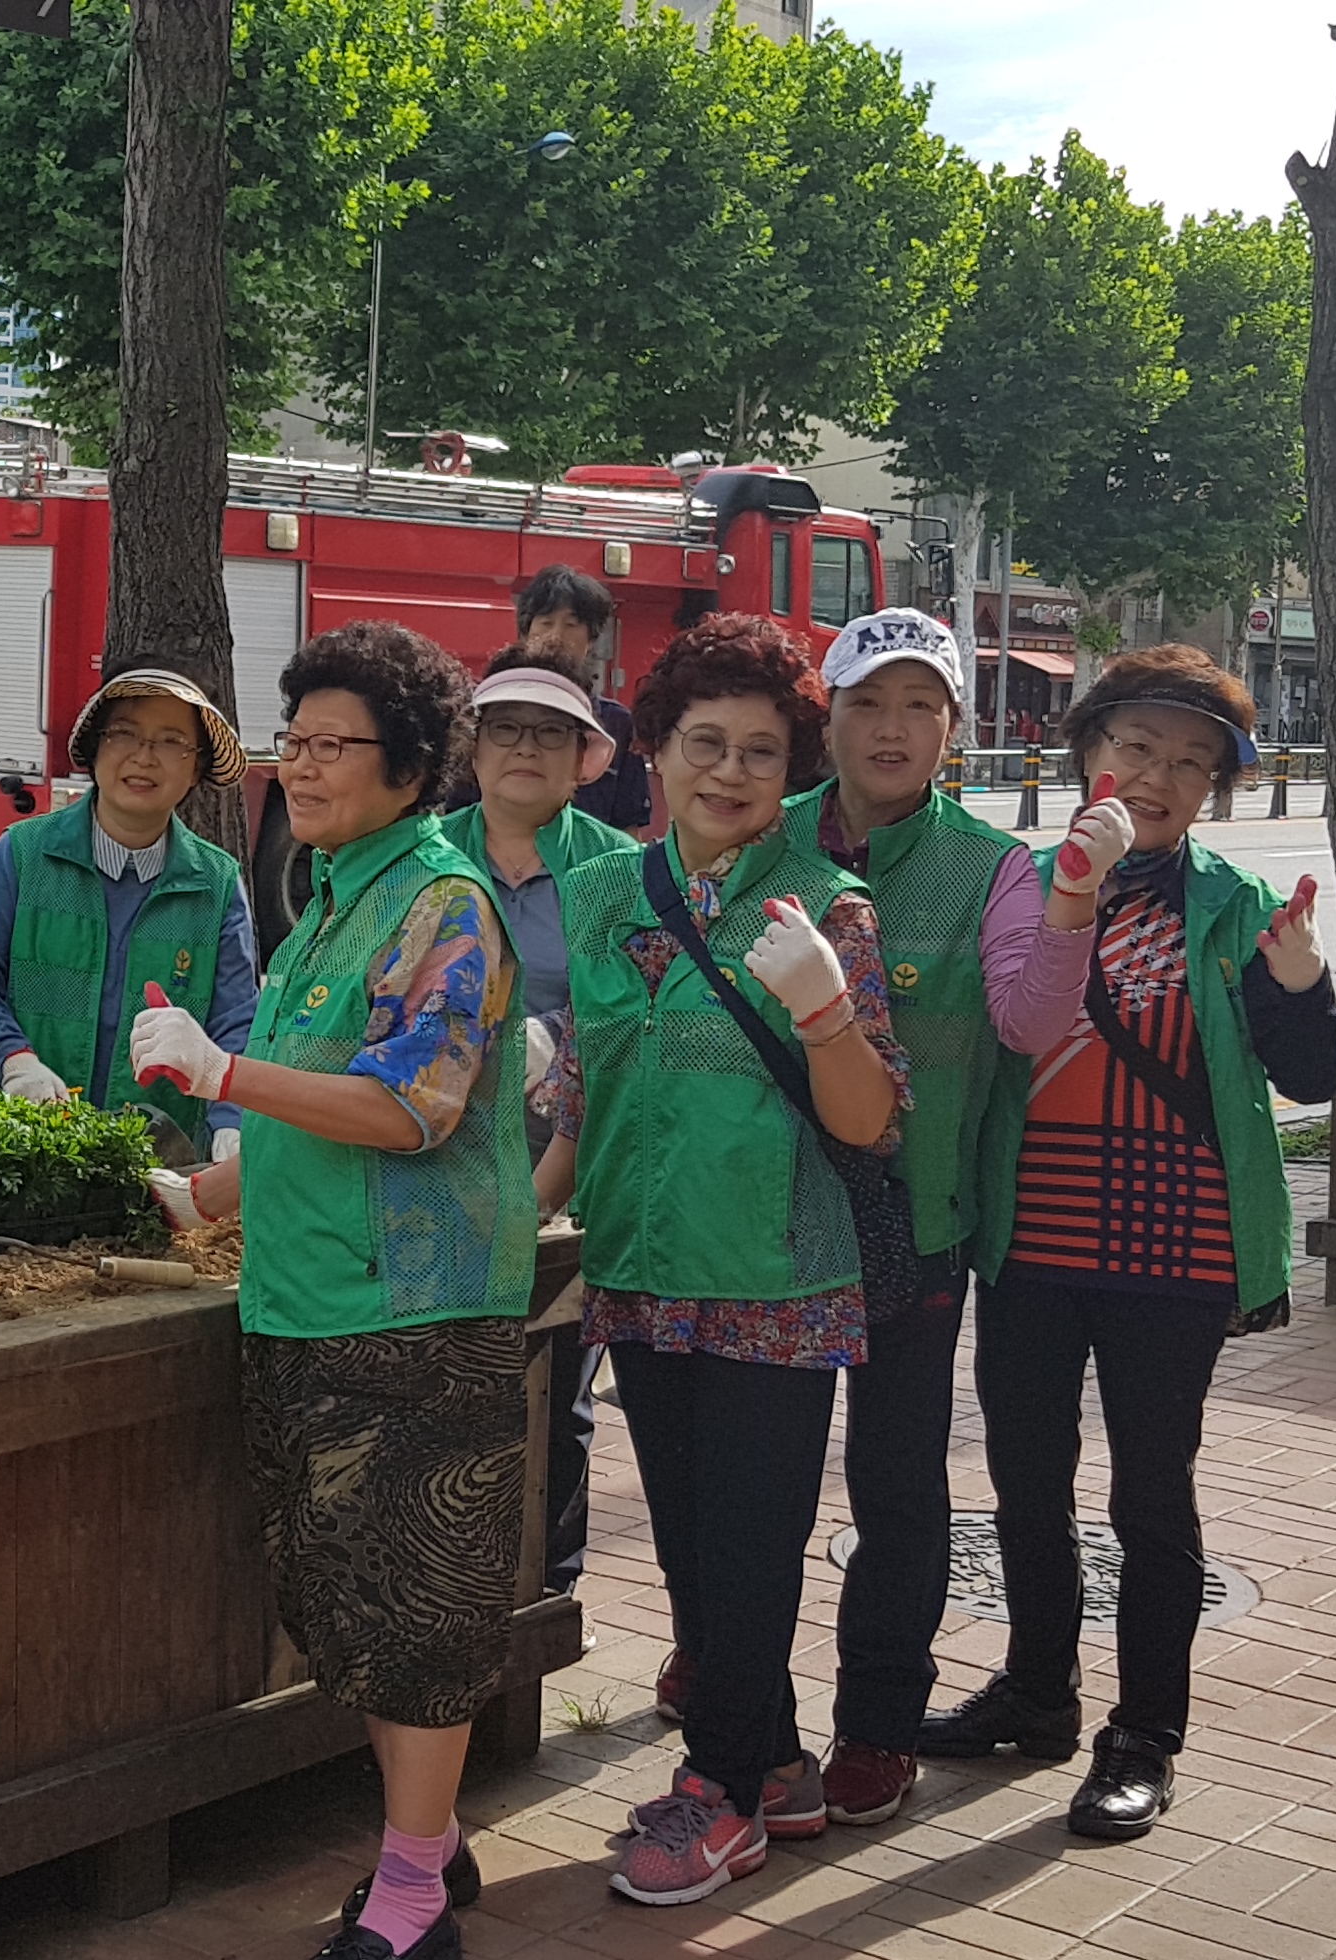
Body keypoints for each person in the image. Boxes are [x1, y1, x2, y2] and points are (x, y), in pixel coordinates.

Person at [131, 622, 535, 1960]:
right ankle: (434, 1843)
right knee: (349, 1597)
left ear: (413, 762)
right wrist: (208, 1196)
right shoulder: (332, 898)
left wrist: (219, 1077)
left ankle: (414, 1896)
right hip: (309, 1301)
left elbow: (412, 1106)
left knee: (420, 1604)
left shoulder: (439, 901)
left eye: (330, 744)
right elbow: (316, 1111)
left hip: (415, 1319)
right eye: (288, 744)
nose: (297, 767)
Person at [916, 643, 1336, 1843]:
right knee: (1023, 1483)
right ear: (1090, 752)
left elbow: (1313, 1078)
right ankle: (1038, 1693)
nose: (1159, 777)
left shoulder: (1235, 907)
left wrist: (1303, 982)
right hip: (1033, 1241)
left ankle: (1144, 1735)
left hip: (1177, 1254)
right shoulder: (1017, 881)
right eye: (1138, 749)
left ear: (1216, 790)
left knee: (1152, 1498)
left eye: (1192, 764)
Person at [531, 617, 910, 1907]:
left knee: (749, 1546)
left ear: (794, 767)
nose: (733, 771)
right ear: (652, 750)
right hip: (640, 1274)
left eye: (763, 749)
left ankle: (723, 1797)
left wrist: (823, 1002)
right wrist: (523, 1242)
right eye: (706, 743)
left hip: (778, 1285)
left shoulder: (828, 905)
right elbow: (583, 1101)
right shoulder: (598, 899)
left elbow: (869, 1121)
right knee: (697, 1552)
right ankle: (780, 1763)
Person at [759, 608, 1035, 1829]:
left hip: (916, 1227)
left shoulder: (990, 870)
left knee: (898, 1485)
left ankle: (876, 1722)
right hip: (765, 1225)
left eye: (921, 705)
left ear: (954, 730)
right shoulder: (761, 846)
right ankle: (740, 1699)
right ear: (830, 716)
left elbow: (1024, 1043)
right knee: (755, 1480)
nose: (892, 728)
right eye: (870, 702)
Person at [441, 648, 637, 1602]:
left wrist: (551, 1038)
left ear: (584, 760)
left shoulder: (619, 874)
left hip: (567, 1182)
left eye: (550, 734)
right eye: (504, 730)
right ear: (471, 752)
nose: (525, 749)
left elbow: (636, 1011)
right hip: (431, 1175)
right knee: (447, 1389)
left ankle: (548, 1596)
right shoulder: (424, 856)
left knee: (559, 1397)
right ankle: (457, 1586)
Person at [0, 669, 256, 1157]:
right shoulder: (22, 855)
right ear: (96, 750)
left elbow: (235, 1023)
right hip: (19, 1146)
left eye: (172, 742)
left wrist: (230, 1123)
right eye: (124, 734)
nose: (144, 756)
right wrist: (15, 1061)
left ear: (196, 770)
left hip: (158, 1159)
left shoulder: (215, 884)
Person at [515, 564, 653, 834]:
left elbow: (628, 827)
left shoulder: (617, 724)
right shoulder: (488, 712)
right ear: (526, 633)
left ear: (591, 639)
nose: (556, 636)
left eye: (571, 625)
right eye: (545, 623)